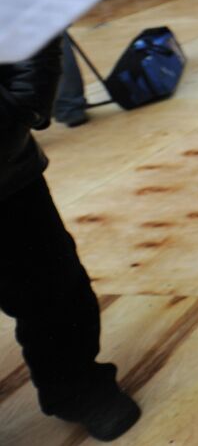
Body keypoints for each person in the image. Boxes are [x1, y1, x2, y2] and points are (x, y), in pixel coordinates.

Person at [1, 38, 142, 441]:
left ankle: (76, 387)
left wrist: (18, 109)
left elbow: (29, 22)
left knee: (51, 291)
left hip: (5, 176)